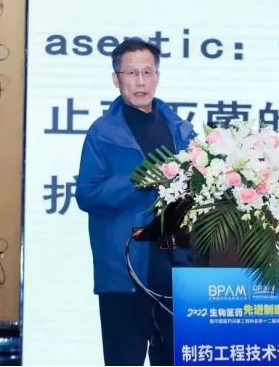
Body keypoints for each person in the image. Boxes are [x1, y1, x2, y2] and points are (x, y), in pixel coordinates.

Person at [75, 37, 195, 366]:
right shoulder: (102, 133)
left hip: (179, 271)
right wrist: (138, 180)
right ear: (116, 79)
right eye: (131, 73)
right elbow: (87, 194)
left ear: (157, 76)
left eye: (147, 72)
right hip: (125, 272)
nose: (140, 81)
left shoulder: (183, 132)